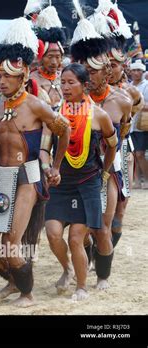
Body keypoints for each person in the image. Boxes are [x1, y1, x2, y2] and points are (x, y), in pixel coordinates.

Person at [0, 17, 70, 308]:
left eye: (8, 76)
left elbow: (64, 128)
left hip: (28, 178)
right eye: (0, 76)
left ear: (22, 77)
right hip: (2, 179)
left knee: (12, 241)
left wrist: (55, 165)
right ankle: (13, 281)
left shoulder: (34, 104)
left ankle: (27, 293)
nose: (2, 81)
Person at [44, 63, 116, 300]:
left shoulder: (100, 116)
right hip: (61, 183)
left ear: (85, 85)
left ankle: (83, 286)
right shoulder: (55, 113)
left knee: (77, 237)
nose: (65, 87)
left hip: (87, 182)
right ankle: (68, 269)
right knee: (53, 233)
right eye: (62, 82)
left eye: (71, 82)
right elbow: (44, 148)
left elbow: (112, 146)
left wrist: (104, 174)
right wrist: (48, 167)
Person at [71, 3, 131, 290]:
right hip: (77, 170)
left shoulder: (122, 100)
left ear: (106, 72)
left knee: (102, 226)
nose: (89, 78)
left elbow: (124, 130)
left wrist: (111, 167)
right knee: (78, 231)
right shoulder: (70, 101)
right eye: (85, 73)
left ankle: (103, 277)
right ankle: (84, 262)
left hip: (106, 170)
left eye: (93, 73)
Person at [105, 3, 145, 250]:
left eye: (114, 65)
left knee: (121, 205)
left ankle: (108, 247)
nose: (109, 70)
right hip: (97, 153)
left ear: (123, 67)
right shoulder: (91, 91)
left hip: (123, 150)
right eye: (105, 65)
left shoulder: (130, 91)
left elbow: (137, 110)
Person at [30, 4, 66, 108]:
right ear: (41, 57)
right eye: (50, 57)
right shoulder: (32, 79)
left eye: (57, 57)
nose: (54, 62)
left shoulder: (66, 77)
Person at [129, 60, 148, 188]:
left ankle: (146, 179)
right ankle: (136, 180)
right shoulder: (128, 86)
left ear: (143, 72)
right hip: (130, 124)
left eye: (138, 70)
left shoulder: (146, 86)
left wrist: (136, 105)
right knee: (134, 154)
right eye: (134, 70)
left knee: (140, 154)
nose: (136, 73)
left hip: (142, 125)